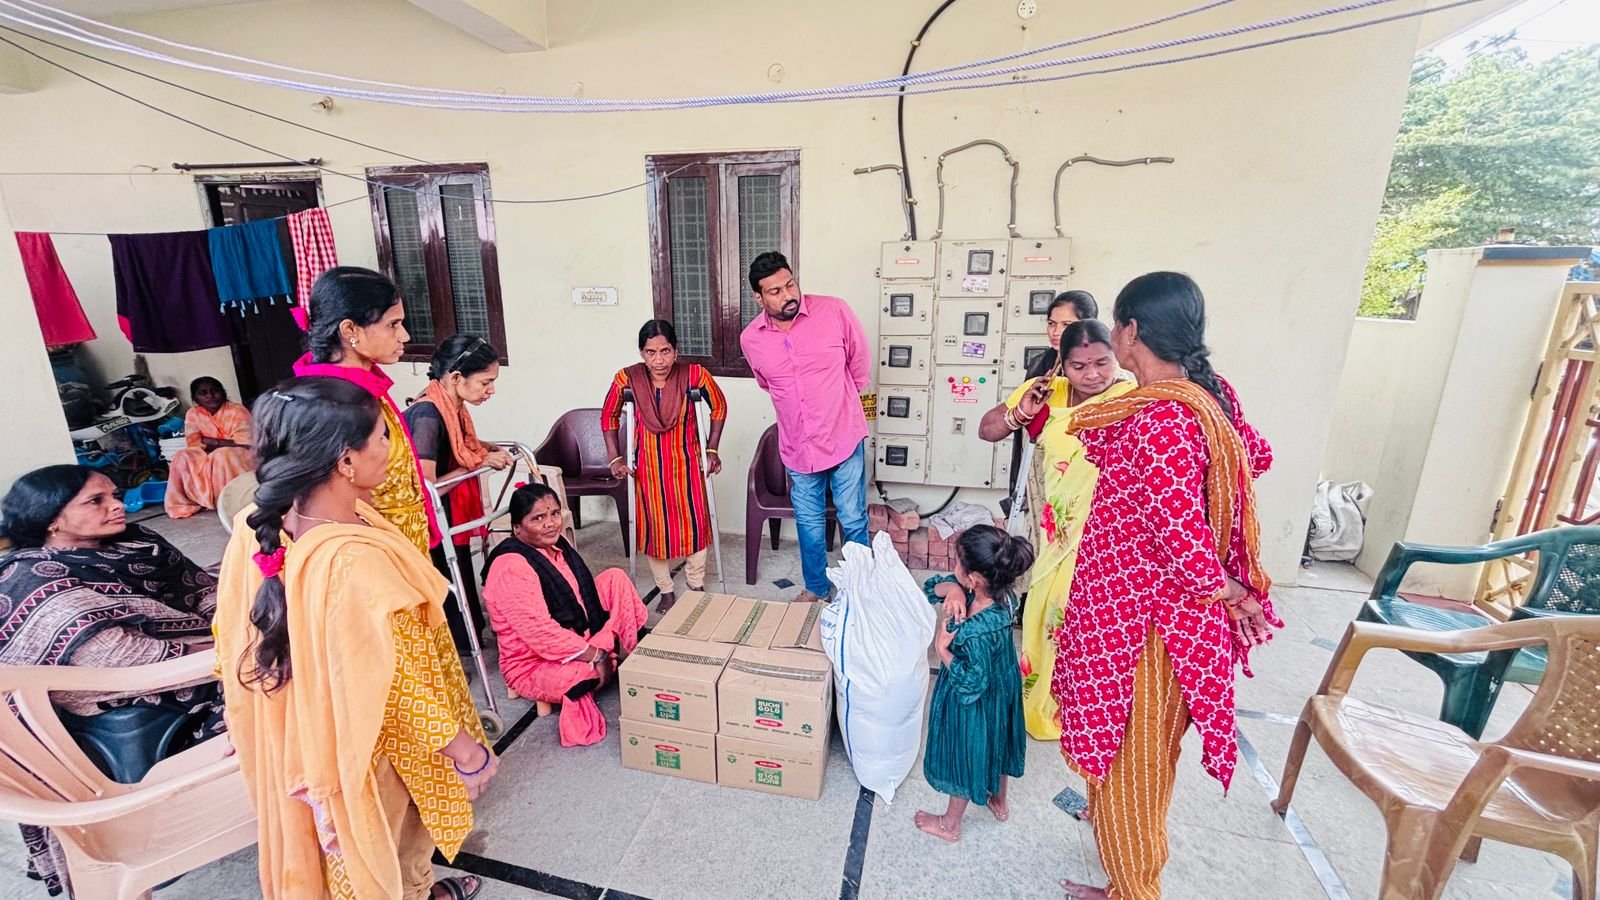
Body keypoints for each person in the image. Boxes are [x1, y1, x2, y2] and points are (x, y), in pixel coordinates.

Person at [214, 377, 494, 900]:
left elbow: (228, 639)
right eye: (382, 437)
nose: (392, 448)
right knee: (384, 844)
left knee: (344, 853)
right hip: (370, 746)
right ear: (345, 460)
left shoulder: (258, 529)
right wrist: (464, 749)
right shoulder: (351, 560)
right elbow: (391, 687)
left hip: (310, 735)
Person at [1053, 272, 1279, 900]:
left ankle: (1135, 892)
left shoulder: (1162, 418)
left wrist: (1228, 590)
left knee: (1135, 765)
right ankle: (1122, 872)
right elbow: (1254, 456)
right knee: (1132, 755)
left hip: (1146, 624)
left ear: (1129, 332)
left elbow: (1180, 536)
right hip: (1131, 610)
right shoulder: (1206, 397)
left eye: (1116, 330)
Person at [0, 465, 224, 896]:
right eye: (95, 501)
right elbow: (114, 660)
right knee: (280, 679)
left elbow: (197, 588)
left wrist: (232, 617)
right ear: (52, 518)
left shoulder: (139, 543)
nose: (117, 505)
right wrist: (230, 651)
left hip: (201, 650)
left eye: (114, 495)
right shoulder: (33, 576)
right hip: (123, 694)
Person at [291, 267, 483, 753]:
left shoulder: (368, 389)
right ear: (351, 331)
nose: (407, 336)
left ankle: (452, 767)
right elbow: (335, 499)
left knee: (428, 671)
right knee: (399, 682)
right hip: (377, 571)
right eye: (394, 325)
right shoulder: (335, 404)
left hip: (406, 557)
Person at [990, 320, 1134, 741]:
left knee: (1083, 627)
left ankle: (1083, 714)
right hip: (1053, 533)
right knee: (1043, 618)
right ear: (1063, 364)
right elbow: (989, 429)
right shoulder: (1045, 392)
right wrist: (1022, 413)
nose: (1092, 374)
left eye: (1101, 363)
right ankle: (1042, 708)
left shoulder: (1131, 398)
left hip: (1105, 537)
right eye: (1079, 366)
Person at [739, 251, 871, 601]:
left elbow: (859, 364)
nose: (788, 295)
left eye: (790, 285)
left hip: (843, 435)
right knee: (809, 524)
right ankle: (815, 587)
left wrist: (836, 404)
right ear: (759, 297)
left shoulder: (834, 311)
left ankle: (861, 588)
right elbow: (767, 382)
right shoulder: (751, 339)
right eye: (776, 292)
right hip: (798, 445)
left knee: (853, 516)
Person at [482, 483, 649, 748]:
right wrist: (596, 654)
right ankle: (607, 651)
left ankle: (631, 652)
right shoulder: (510, 567)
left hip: (576, 632)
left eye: (554, 514)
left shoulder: (555, 544)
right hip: (532, 662)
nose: (550, 524)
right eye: (538, 518)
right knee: (581, 672)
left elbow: (579, 595)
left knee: (615, 578)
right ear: (517, 528)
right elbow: (541, 634)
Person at [914, 525, 1033, 843]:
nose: (953, 569)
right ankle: (998, 800)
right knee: (999, 744)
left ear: (974, 579)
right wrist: (953, 588)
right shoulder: (1004, 598)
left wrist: (942, 649)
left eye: (957, 565)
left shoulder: (973, 629)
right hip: (1002, 694)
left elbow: (970, 682)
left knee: (968, 756)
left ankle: (950, 825)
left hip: (973, 705)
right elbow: (933, 588)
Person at [601, 320, 727, 612]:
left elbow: (719, 406)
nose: (659, 360)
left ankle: (695, 585)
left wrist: (712, 449)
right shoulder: (626, 378)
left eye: (665, 351)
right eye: (650, 352)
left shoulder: (695, 374)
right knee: (655, 530)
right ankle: (666, 590)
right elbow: (609, 417)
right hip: (649, 467)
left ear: (676, 350)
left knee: (695, 525)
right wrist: (615, 457)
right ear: (642, 353)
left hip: (687, 464)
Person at [405, 335, 513, 656]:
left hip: (452, 516)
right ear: (455, 378)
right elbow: (425, 488)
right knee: (445, 583)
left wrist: (485, 447)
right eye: (485, 382)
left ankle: (468, 641)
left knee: (460, 574)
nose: (490, 390)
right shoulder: (427, 414)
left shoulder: (452, 406)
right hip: (430, 524)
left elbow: (457, 449)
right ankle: (454, 653)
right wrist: (477, 462)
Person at [980, 291, 1101, 501]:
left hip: (1086, 482)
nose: (1056, 332)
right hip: (1041, 477)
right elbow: (987, 430)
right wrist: (1018, 415)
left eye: (1066, 324)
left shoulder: (1112, 377)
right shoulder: (1042, 368)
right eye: (1052, 323)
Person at [164, 375, 254, 519]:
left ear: (223, 392)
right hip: (208, 453)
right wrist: (217, 443)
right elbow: (194, 443)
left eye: (214, 391)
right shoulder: (193, 414)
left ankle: (227, 501)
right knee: (183, 455)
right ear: (196, 398)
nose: (210, 396)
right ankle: (185, 502)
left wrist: (214, 442)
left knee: (222, 455)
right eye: (203, 393)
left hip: (241, 455)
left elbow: (246, 443)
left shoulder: (237, 411)